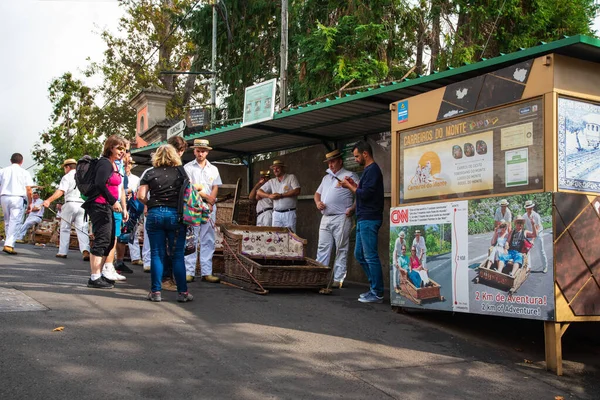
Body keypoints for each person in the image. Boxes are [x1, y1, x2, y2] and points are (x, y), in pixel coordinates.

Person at [137, 144, 193, 302]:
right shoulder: (182, 172)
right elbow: (189, 194)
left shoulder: (150, 173)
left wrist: (149, 203)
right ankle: (183, 293)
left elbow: (140, 195)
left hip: (155, 214)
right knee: (177, 255)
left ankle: (155, 292)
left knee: (156, 254)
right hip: (176, 215)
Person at [340, 140, 384, 304]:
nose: (356, 159)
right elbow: (362, 192)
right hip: (362, 218)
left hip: (370, 218)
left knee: (370, 255)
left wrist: (350, 187)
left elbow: (364, 194)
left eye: (357, 156)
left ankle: (377, 291)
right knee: (359, 254)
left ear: (366, 154)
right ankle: (374, 287)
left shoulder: (373, 170)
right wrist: (352, 186)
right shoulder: (367, 171)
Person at [82, 135, 128, 289]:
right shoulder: (105, 164)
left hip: (106, 207)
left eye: (124, 149)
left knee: (108, 240)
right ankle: (94, 277)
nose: (122, 152)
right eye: (119, 148)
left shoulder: (113, 164)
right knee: (102, 239)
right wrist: (113, 201)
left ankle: (99, 274)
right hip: (100, 206)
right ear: (110, 148)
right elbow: (100, 184)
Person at [314, 149, 358, 288]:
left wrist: (353, 208)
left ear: (340, 161)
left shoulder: (350, 175)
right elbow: (317, 194)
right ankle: (320, 276)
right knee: (323, 247)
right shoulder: (326, 178)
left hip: (341, 217)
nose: (330, 165)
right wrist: (318, 203)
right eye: (328, 162)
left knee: (341, 248)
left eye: (332, 161)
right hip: (326, 217)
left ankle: (338, 279)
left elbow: (359, 193)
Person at [184, 138, 222, 283]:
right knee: (192, 238)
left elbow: (215, 186)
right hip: (193, 206)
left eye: (203, 151)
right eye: (198, 151)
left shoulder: (213, 169)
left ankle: (207, 272)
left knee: (208, 239)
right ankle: (189, 271)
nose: (200, 154)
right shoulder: (188, 167)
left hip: (209, 207)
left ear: (207, 152)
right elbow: (190, 187)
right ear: (194, 151)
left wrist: (211, 200)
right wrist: (207, 197)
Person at [42, 158, 90, 261]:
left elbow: (61, 191)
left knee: (65, 228)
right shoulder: (84, 176)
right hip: (83, 204)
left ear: (67, 167)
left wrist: (49, 200)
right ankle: (85, 250)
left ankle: (62, 252)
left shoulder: (67, 176)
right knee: (82, 229)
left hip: (70, 203)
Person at [0, 153, 34, 255]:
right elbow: (29, 189)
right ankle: (9, 244)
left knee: (7, 221)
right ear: (22, 162)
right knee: (15, 221)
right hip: (17, 198)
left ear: (11, 161)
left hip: (4, 197)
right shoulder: (25, 172)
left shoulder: (3, 171)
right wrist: (30, 203)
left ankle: (8, 242)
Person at [257, 160, 301, 232]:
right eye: (274, 169)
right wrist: (269, 196)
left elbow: (297, 190)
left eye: (277, 168)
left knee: (290, 236)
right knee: (276, 236)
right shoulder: (272, 181)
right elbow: (259, 192)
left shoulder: (291, 177)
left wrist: (281, 195)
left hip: (289, 212)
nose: (275, 170)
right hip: (276, 213)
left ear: (283, 168)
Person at [524, 200, 548, 273]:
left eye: (530, 208)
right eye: (528, 208)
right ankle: (528, 267)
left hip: (538, 233)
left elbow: (536, 230)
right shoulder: (524, 216)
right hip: (530, 233)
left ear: (532, 207)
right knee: (526, 250)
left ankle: (545, 266)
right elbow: (523, 227)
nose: (529, 209)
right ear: (526, 208)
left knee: (540, 250)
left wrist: (532, 240)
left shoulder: (536, 216)